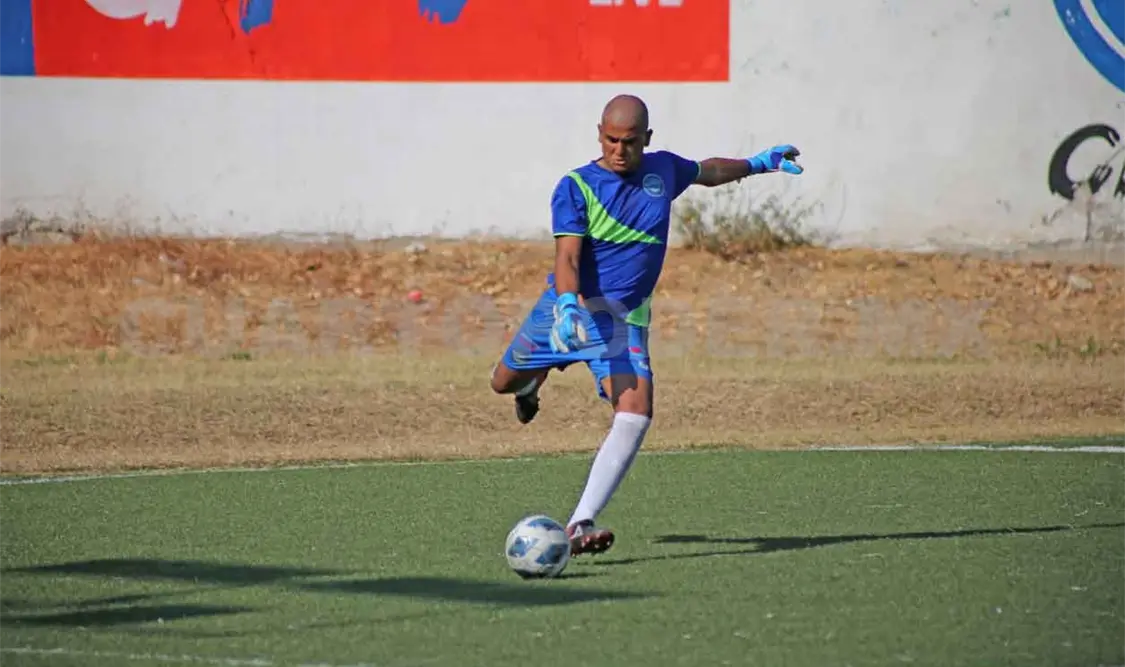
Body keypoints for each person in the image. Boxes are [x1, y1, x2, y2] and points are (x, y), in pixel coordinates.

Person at [489, 94, 803, 556]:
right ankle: (529, 387)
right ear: (599, 134)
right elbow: (568, 255)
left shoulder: (663, 172)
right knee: (501, 381)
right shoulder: (576, 186)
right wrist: (568, 305)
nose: (620, 150)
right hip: (568, 311)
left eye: (631, 142)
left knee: (636, 412)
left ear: (647, 140)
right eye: (612, 140)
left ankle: (580, 522)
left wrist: (757, 164)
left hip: (621, 325)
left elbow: (707, 171)